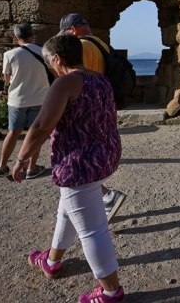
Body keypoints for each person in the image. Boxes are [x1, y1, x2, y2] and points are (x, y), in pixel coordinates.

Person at [11, 34, 125, 303]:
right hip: (103, 156)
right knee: (68, 209)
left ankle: (111, 292)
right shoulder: (100, 79)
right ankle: (51, 261)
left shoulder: (65, 83)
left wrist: (21, 158)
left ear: (57, 58)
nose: (50, 67)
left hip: (78, 163)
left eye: (49, 61)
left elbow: (41, 126)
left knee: (92, 230)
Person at [59, 13, 127, 222]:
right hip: (101, 103)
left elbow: (77, 75)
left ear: (72, 30)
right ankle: (100, 199)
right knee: (85, 161)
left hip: (86, 106)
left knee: (76, 161)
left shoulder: (82, 46)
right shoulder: (100, 43)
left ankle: (103, 199)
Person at [0, 23, 50, 179]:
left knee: (13, 132)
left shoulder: (9, 54)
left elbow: (7, 79)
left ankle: (2, 166)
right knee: (35, 134)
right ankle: (32, 168)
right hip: (39, 98)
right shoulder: (43, 52)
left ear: (15, 38)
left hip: (17, 99)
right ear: (33, 36)